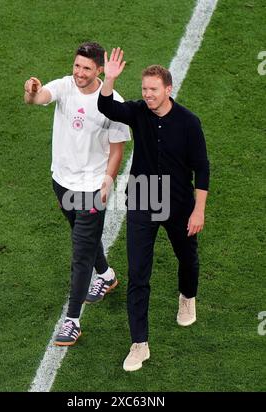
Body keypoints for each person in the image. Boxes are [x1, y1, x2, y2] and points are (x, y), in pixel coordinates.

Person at [98, 48, 210, 371]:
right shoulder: (137, 112)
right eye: (144, 89)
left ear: (168, 89)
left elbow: (201, 169)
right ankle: (139, 343)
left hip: (179, 205)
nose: (147, 95)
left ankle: (187, 296)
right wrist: (110, 79)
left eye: (153, 90)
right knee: (138, 274)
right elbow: (106, 105)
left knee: (188, 258)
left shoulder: (189, 123)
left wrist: (198, 211)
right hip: (143, 201)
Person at [24, 43, 130, 346]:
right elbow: (38, 97)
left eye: (86, 68)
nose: (79, 73)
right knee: (82, 234)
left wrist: (108, 180)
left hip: (92, 189)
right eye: (77, 66)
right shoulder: (65, 86)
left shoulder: (114, 102)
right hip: (61, 181)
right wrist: (31, 90)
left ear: (99, 70)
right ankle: (107, 276)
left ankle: (72, 321)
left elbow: (117, 148)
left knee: (81, 252)